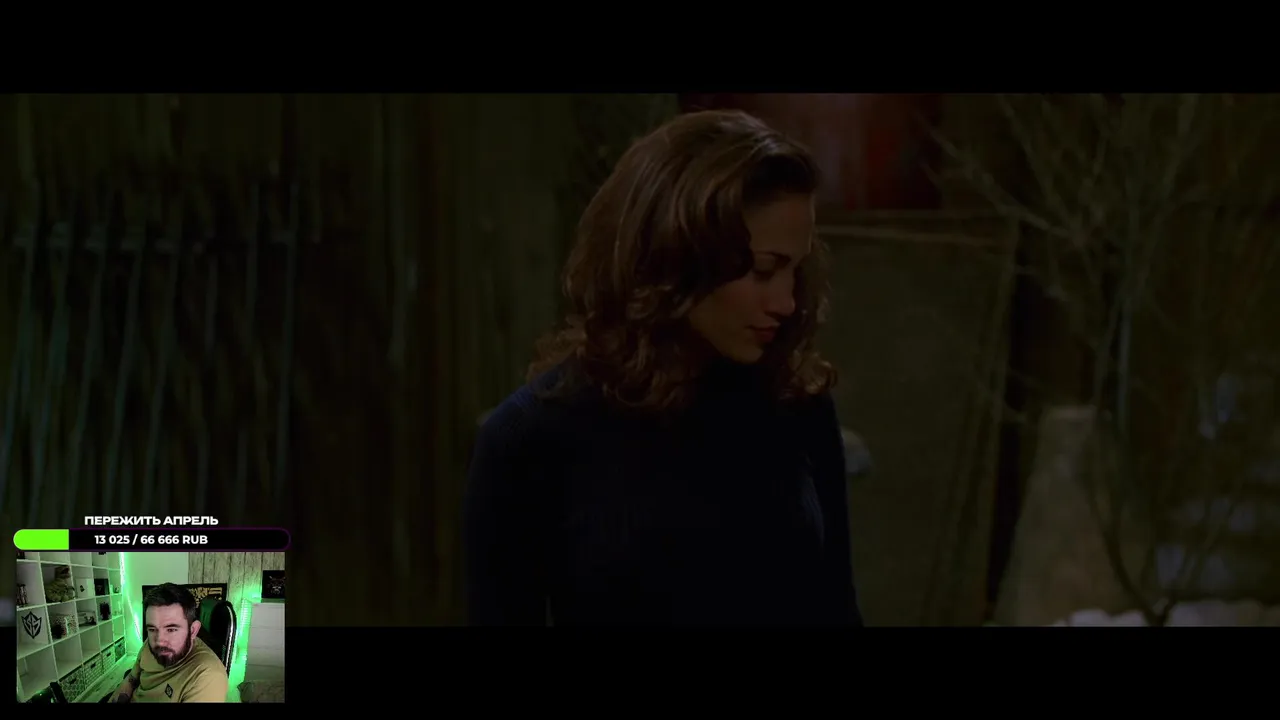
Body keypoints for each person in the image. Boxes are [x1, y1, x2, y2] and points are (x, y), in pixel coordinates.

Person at [463, 109, 863, 626]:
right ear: (677, 256)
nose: (786, 302)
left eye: (795, 269)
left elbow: (838, 612)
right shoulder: (529, 439)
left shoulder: (796, 405)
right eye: (764, 271)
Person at [113, 584, 228, 702]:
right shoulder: (151, 642)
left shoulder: (208, 677)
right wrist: (125, 686)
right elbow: (133, 674)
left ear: (193, 631)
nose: (159, 641)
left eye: (171, 630)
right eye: (152, 629)